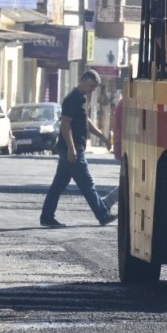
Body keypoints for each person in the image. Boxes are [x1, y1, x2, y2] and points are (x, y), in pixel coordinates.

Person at [40, 69, 116, 228]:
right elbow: (65, 125)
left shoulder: (80, 99)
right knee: (87, 183)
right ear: (82, 80)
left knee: (58, 185)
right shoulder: (71, 100)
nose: (92, 90)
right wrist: (71, 149)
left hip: (72, 147)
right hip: (72, 148)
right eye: (91, 86)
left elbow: (85, 121)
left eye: (94, 87)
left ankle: (47, 216)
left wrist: (101, 136)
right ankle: (102, 214)